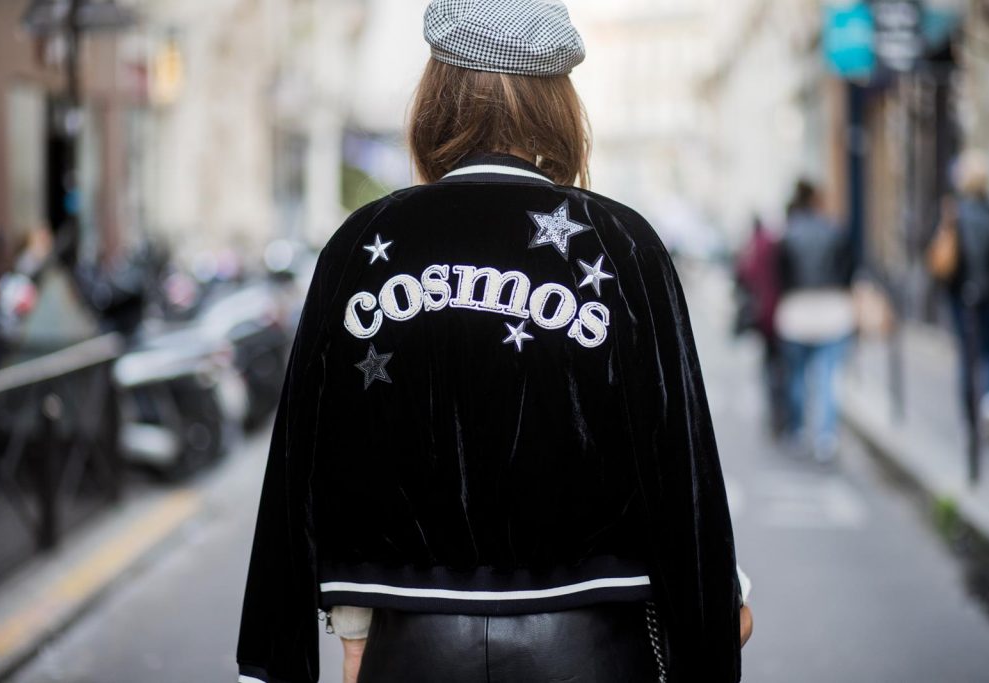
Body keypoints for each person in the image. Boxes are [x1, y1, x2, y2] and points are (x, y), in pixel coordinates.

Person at [236, 2, 751, 682]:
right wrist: (718, 609)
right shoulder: (624, 246)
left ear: (436, 95)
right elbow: (678, 461)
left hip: (411, 652)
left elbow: (309, 466)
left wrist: (338, 633)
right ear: (559, 103)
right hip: (593, 650)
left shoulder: (362, 245)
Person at [775, 180, 855, 462]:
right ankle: (826, 437)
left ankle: (798, 432)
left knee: (798, 377)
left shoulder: (787, 235)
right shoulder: (836, 232)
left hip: (796, 312)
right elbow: (849, 273)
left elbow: (780, 277)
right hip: (833, 312)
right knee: (828, 377)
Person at [943, 151, 989, 437]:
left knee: (967, 356)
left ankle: (970, 418)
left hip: (963, 298)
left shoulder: (954, 215)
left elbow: (946, 263)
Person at [734, 216, 785, 436]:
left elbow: (743, 275)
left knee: (771, 365)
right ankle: (782, 415)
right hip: (780, 313)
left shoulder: (753, 248)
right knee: (782, 366)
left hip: (764, 315)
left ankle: (776, 413)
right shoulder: (774, 245)